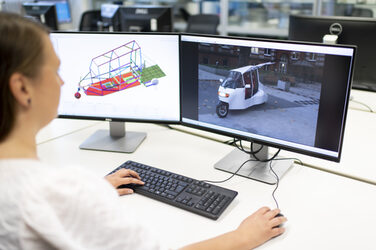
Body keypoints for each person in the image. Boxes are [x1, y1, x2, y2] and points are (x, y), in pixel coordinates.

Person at [0, 12, 286, 250]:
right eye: (55, 71)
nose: (63, 83)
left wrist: (91, 193)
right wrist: (243, 237)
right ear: (23, 88)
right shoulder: (59, 194)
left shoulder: (40, 192)